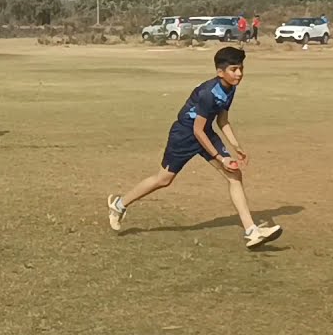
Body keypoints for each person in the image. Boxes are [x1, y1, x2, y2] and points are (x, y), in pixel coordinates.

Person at [105, 46, 283, 250]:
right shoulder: (208, 93)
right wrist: (220, 157)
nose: (239, 74)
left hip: (205, 131)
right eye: (234, 69)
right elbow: (197, 131)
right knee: (164, 179)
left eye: (241, 68)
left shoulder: (230, 87)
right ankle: (119, 205)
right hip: (185, 135)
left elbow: (222, 120)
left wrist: (236, 146)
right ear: (220, 72)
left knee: (234, 175)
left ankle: (251, 231)